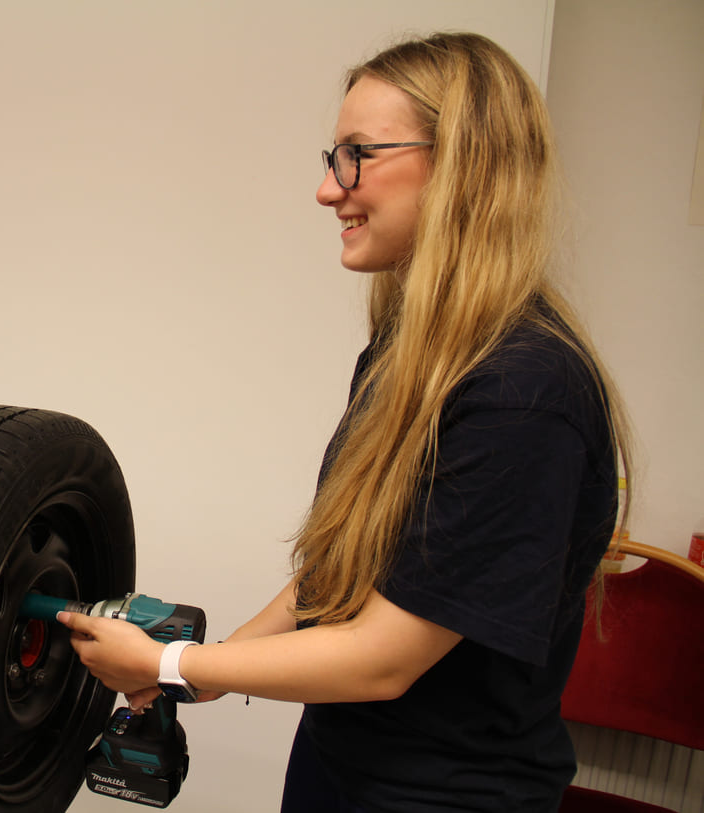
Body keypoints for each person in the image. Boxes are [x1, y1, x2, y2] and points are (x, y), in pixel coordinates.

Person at [59, 31, 632, 812]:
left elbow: (382, 659)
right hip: (339, 770)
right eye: (333, 158)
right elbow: (339, 571)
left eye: (357, 154)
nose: (330, 191)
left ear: (464, 162)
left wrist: (176, 665)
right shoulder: (406, 354)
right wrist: (211, 662)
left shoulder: (525, 392)